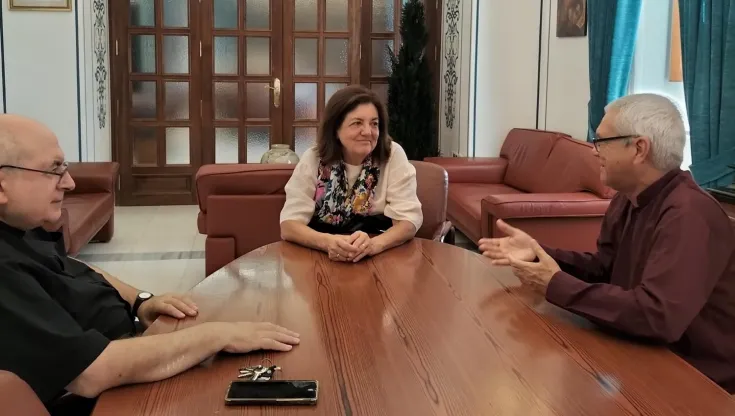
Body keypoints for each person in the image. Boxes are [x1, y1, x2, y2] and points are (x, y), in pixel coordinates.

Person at [0, 115, 300, 413]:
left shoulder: (24, 226)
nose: (69, 182)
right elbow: (91, 373)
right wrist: (217, 336)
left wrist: (141, 301)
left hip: (132, 348)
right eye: (53, 170)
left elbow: (73, 268)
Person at [479, 93, 735, 393]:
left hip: (697, 380)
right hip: (638, 351)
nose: (593, 150)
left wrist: (555, 284)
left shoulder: (689, 213)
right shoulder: (629, 197)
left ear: (639, 148)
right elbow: (605, 269)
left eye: (601, 141)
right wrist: (539, 254)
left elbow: (657, 316)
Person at [280, 85, 423, 263]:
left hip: (380, 255)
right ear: (336, 129)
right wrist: (328, 242)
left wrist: (373, 245)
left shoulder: (392, 154)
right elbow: (289, 225)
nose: (368, 132)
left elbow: (408, 221)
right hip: (321, 257)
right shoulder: (315, 158)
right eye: (357, 123)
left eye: (374, 124)